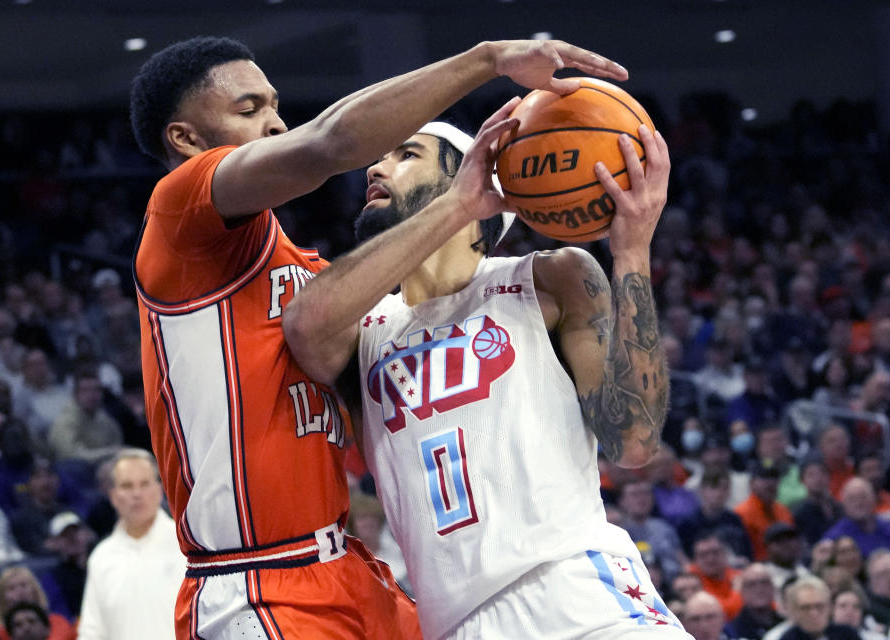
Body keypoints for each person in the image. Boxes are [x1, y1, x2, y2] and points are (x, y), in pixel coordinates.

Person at [130, 33, 628, 640]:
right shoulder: (181, 221)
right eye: (248, 110)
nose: (275, 123)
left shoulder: (316, 275)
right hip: (255, 580)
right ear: (185, 139)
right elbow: (329, 143)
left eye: (274, 105)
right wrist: (488, 60)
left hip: (348, 567)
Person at [282, 101, 685, 638]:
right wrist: (452, 207)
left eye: (407, 154)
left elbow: (633, 442)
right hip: (456, 622)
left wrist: (632, 253)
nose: (375, 169)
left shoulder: (548, 279)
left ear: (468, 178)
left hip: (580, 594)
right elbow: (304, 326)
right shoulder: (362, 328)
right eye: (378, 158)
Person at [77, 449, 184, 640]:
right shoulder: (102, 557)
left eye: (144, 484)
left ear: (159, 490)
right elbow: (92, 631)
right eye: (127, 486)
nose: (137, 494)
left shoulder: (186, 544)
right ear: (113, 496)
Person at [0, 566, 74, 640]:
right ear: (2, 598)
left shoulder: (57, 622)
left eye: (24, 585)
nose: (20, 591)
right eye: (12, 588)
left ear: (35, 591)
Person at [822, 477, 890, 557]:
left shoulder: (887, 526)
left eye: (863, 497)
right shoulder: (834, 538)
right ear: (844, 504)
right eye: (852, 499)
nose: (859, 503)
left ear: (873, 499)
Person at [779, 575, 861, 640]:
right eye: (806, 608)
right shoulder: (787, 638)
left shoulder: (847, 635)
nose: (813, 613)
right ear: (795, 611)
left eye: (819, 606)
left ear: (830, 607)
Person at [728, 562, 784, 640]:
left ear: (773, 587)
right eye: (751, 584)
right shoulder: (732, 631)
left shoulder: (786, 625)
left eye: (764, 582)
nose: (759, 590)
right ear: (741, 591)